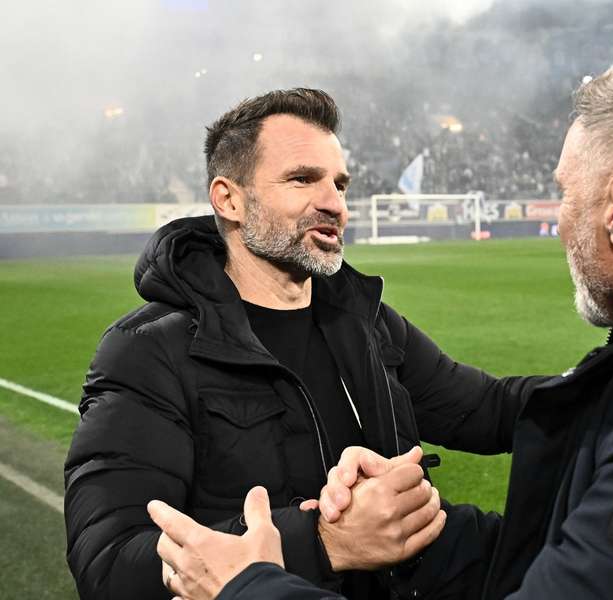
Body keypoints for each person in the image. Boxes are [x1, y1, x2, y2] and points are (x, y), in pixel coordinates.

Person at [148, 49, 613, 599]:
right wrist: (416, 532)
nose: (556, 222)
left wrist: (249, 587)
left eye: (564, 193)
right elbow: (572, 550)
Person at [63, 88, 544, 600]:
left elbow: (490, 408)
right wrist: (323, 543)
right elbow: (109, 562)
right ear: (230, 199)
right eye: (302, 179)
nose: (334, 203)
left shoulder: (366, 323)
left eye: (339, 183)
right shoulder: (147, 352)